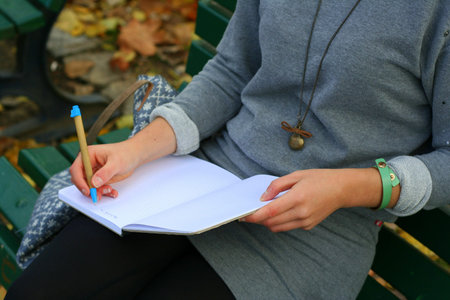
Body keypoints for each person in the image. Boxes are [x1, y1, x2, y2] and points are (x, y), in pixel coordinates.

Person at [6, 0, 449, 299]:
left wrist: (351, 186)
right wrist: (136, 149)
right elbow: (232, 71)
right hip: (198, 181)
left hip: (317, 235)